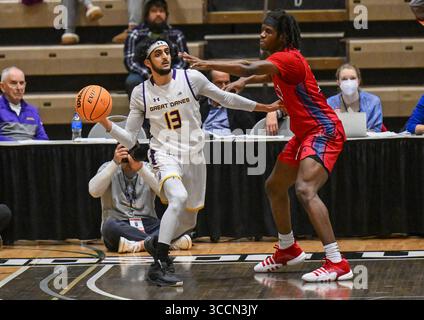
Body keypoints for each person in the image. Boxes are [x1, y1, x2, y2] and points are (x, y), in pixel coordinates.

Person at [182, 9, 353, 282]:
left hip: (324, 131)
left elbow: (251, 66)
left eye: (268, 31)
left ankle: (337, 261)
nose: (262, 34)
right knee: (274, 186)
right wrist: (243, 81)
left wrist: (205, 63)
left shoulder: (288, 59)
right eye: (261, 30)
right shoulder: (281, 62)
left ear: (282, 36)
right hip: (304, 133)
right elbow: (259, 74)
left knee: (305, 189)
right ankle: (287, 248)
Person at [96, 38, 281, 286]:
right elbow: (131, 138)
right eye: (158, 54)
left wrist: (264, 106)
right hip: (164, 153)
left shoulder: (191, 79)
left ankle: (154, 243)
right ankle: (160, 261)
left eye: (166, 52)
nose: (165, 56)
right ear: (147, 63)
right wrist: (106, 123)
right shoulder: (140, 93)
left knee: (188, 222)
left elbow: (226, 99)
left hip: (194, 154)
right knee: (178, 197)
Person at [89, 143, 192, 253]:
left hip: (148, 223)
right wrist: (115, 163)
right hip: (120, 224)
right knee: (108, 227)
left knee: (180, 223)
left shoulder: (149, 168)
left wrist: (141, 169)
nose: (128, 156)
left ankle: (139, 245)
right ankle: (161, 243)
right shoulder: (108, 167)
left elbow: (165, 195)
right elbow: (94, 192)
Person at [124, 0, 189, 97]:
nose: (158, 14)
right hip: (144, 74)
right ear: (147, 15)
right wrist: (149, 75)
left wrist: (170, 75)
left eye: (161, 11)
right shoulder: (135, 34)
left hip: (170, 74)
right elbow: (130, 62)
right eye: (154, 11)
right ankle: (141, 111)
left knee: (188, 76)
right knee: (132, 80)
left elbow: (184, 61)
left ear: (166, 15)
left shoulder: (177, 35)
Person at [327, 63, 384, 132]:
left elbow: (376, 130)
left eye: (353, 78)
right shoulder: (329, 103)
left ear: (358, 81)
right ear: (338, 83)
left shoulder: (373, 102)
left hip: (366, 142)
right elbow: (327, 130)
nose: (349, 82)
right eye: (344, 79)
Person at [200, 70, 256, 136]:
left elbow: (265, 109)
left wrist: (271, 113)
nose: (224, 86)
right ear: (210, 84)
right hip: (203, 142)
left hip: (230, 143)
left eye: (227, 82)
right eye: (219, 83)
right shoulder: (200, 102)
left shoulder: (240, 101)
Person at [0, 67, 49, 141]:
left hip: (30, 152)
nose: (19, 88)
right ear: (2, 87)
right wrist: (19, 145)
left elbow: (44, 139)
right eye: (13, 83)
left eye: (21, 83)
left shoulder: (32, 111)